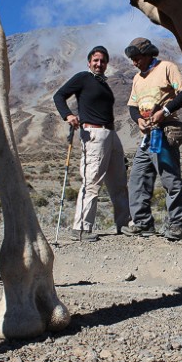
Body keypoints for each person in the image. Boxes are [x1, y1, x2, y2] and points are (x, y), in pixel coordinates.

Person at [53, 46, 130, 242]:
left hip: (111, 133)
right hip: (94, 134)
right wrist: (68, 115)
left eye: (103, 61)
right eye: (96, 60)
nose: (99, 64)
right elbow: (59, 96)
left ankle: (123, 223)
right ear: (89, 62)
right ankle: (81, 228)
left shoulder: (103, 84)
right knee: (92, 181)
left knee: (119, 181)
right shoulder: (82, 78)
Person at [121, 37, 182, 241]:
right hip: (147, 136)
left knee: (170, 178)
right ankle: (143, 223)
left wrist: (165, 111)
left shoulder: (167, 68)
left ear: (148, 54)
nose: (134, 62)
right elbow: (132, 106)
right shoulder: (137, 78)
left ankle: (177, 224)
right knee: (138, 178)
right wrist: (138, 121)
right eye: (132, 59)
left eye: (137, 58)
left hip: (164, 131)